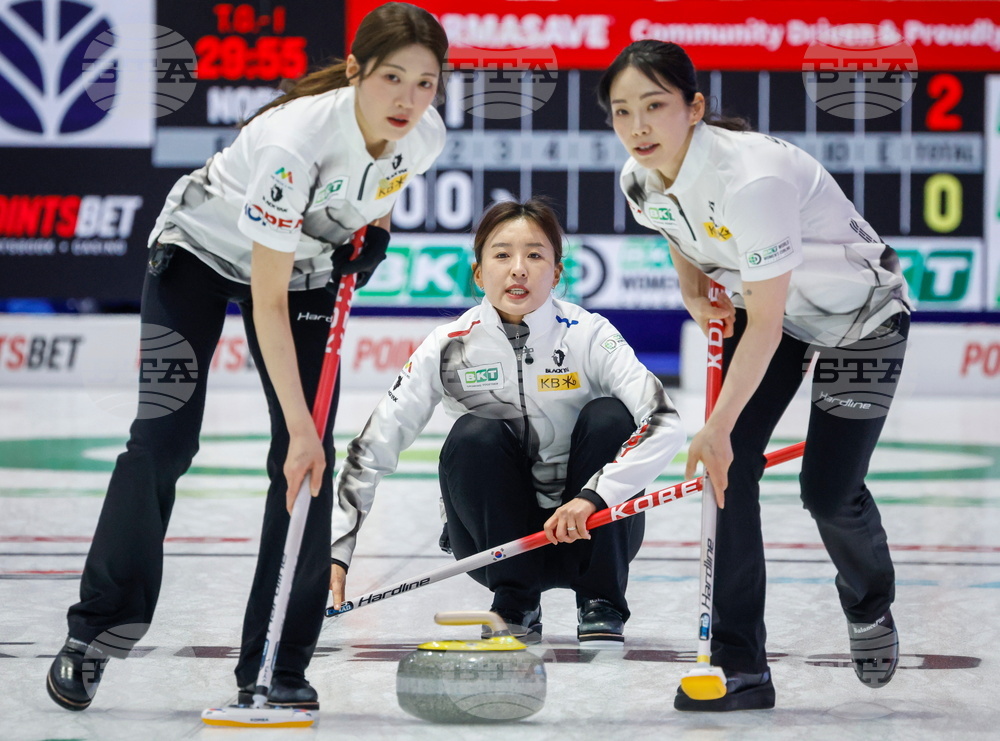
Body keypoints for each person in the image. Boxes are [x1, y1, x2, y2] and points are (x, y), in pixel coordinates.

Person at [46, 2, 448, 713]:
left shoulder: (425, 134)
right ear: (354, 71)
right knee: (164, 440)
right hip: (199, 255)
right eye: (392, 78)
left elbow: (381, 188)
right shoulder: (293, 142)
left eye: (425, 83)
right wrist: (296, 423)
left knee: (308, 464)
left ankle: (278, 662)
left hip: (306, 269)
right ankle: (95, 634)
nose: (409, 100)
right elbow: (264, 300)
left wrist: (372, 237)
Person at [599, 40, 912, 710]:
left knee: (827, 492)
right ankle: (742, 665)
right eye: (622, 112)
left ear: (696, 107)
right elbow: (675, 229)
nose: (639, 126)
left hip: (862, 319)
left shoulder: (753, 179)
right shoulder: (637, 178)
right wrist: (693, 291)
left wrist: (714, 424)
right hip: (777, 312)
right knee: (729, 465)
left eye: (655, 105)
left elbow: (764, 327)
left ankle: (868, 602)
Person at [330, 198, 684, 645]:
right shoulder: (448, 347)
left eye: (535, 255)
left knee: (610, 417)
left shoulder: (590, 334)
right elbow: (371, 448)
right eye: (501, 255)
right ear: (478, 272)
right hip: (495, 547)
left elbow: (665, 421)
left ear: (556, 273)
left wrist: (595, 496)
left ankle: (601, 600)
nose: (519, 269)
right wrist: (335, 552)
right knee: (475, 432)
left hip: (590, 528)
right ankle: (515, 599)